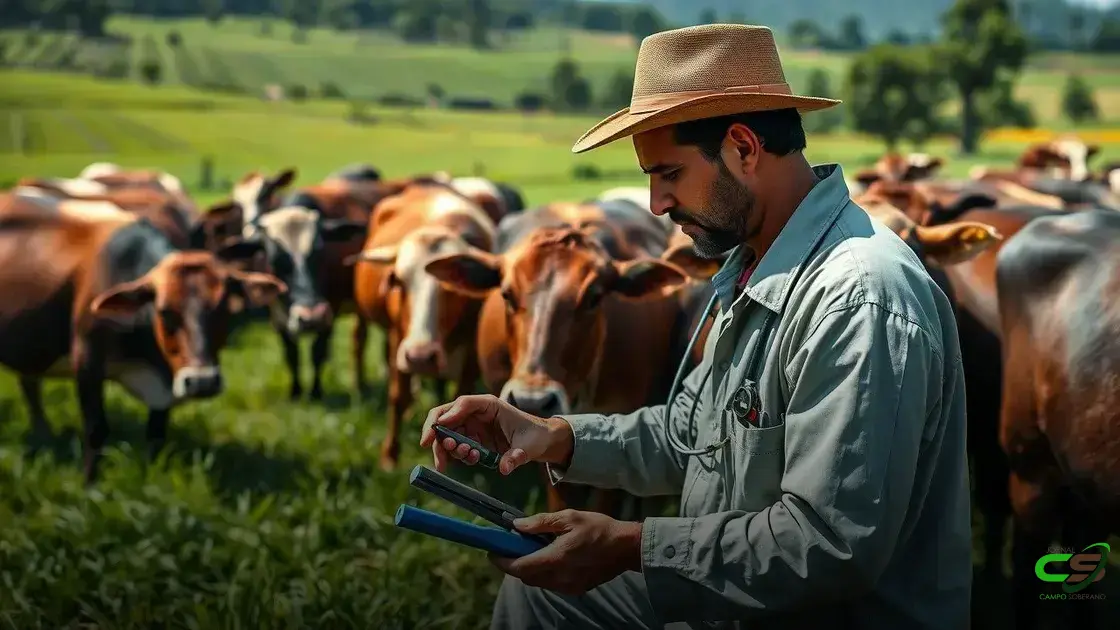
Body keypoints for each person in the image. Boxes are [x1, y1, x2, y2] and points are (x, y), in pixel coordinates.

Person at [419, 23, 973, 630]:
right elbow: (690, 436)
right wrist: (552, 436)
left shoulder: (856, 302)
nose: (655, 204)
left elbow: (830, 545)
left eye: (669, 174)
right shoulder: (752, 265)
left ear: (743, 148)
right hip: (729, 599)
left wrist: (632, 546)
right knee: (538, 598)